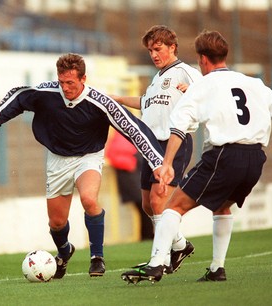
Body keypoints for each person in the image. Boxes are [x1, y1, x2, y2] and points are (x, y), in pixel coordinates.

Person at [121, 30, 272, 284]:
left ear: (202, 59)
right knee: (222, 206)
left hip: (224, 156)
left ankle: (156, 264)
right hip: (255, 160)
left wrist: (167, 165)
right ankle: (217, 269)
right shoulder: (253, 82)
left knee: (172, 207)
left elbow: (178, 127)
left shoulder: (203, 85)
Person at [0, 53, 164, 279]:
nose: (65, 87)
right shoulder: (47, 93)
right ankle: (64, 252)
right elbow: (18, 96)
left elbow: (133, 128)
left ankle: (97, 258)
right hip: (57, 159)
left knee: (89, 199)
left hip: (89, 157)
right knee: (56, 222)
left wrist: (157, 163)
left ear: (84, 79)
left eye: (70, 83)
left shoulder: (100, 102)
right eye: (62, 82)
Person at [111, 25, 203, 272]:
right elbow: (144, 103)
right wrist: (118, 100)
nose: (153, 54)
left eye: (158, 48)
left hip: (174, 142)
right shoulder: (156, 79)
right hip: (151, 145)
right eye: (151, 49)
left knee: (158, 199)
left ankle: (158, 261)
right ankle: (180, 245)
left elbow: (207, 91)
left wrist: (193, 91)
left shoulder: (185, 72)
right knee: (148, 205)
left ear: (172, 47)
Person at [105, 131, 154, 240]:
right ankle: (147, 236)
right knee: (143, 206)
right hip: (130, 177)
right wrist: (130, 163)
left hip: (135, 175)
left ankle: (147, 235)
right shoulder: (121, 137)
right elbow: (111, 155)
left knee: (144, 207)